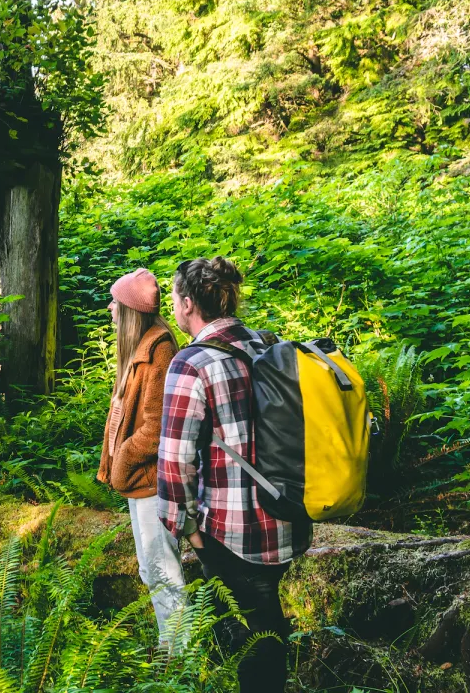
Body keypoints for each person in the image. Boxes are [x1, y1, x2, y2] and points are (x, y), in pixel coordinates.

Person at [157, 257, 310, 692]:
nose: (173, 306)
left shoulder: (191, 364)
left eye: (174, 298)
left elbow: (174, 459)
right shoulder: (267, 344)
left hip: (234, 532)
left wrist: (186, 528)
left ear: (188, 303)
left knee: (258, 633)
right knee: (258, 620)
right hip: (288, 516)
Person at [95, 268, 186, 649]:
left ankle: (181, 655)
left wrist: (124, 459)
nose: (111, 309)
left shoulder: (160, 350)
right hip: (139, 481)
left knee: (163, 571)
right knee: (151, 569)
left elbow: (156, 427)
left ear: (132, 309)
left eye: (117, 302)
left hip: (153, 481)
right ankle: (172, 647)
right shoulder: (142, 348)